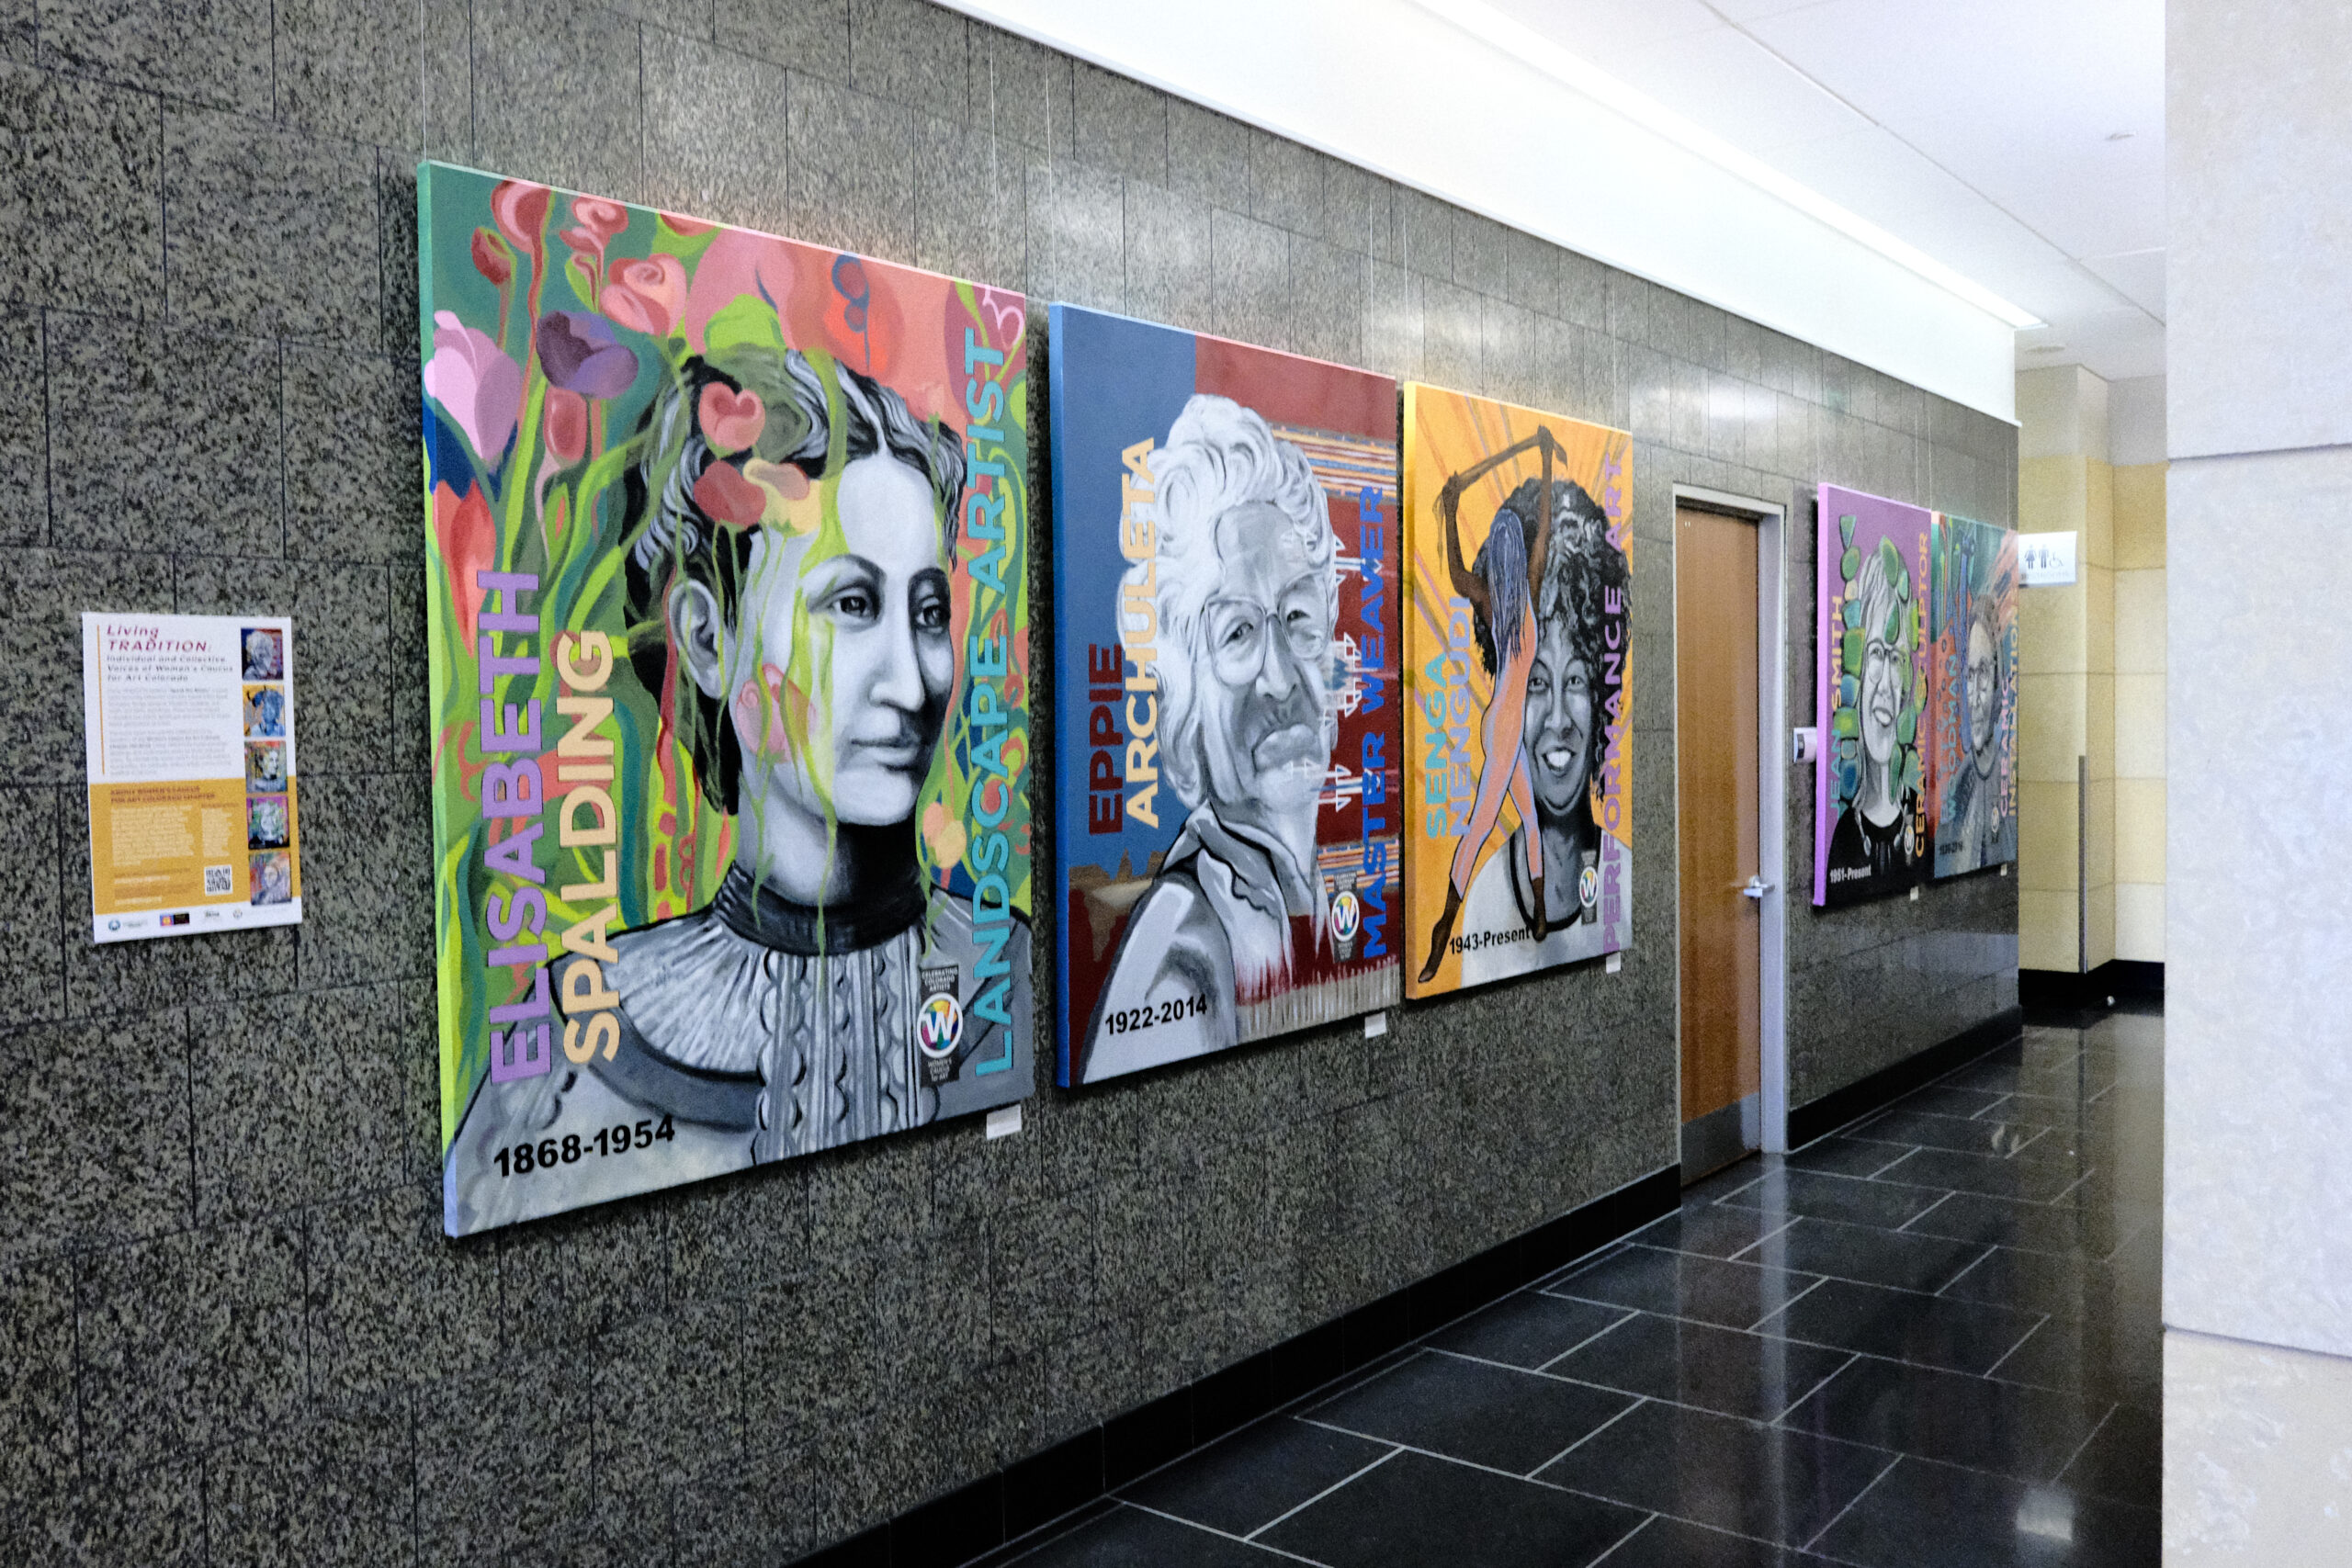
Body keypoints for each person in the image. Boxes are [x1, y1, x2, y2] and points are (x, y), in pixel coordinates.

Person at [447, 346, 1027, 1233]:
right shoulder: (574, 1043)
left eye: (928, 613)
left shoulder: (1009, 973)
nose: (913, 685)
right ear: (708, 639)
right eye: (852, 605)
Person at [1078, 396, 1340, 1082]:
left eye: (1297, 616)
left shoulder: (1312, 892)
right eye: (1238, 633)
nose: (1280, 679)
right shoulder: (1180, 950)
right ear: (1183, 705)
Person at [1417, 430, 1575, 986]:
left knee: (1530, 818)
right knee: (1482, 825)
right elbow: (1544, 531)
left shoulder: (1494, 597)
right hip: (1506, 727)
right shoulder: (1522, 591)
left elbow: (1459, 574)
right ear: (1518, 549)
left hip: (1502, 725)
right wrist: (1544, 465)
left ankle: (1539, 913)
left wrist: (1451, 509)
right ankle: (1443, 927)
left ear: (1495, 548)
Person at [1456, 476, 1627, 985]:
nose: (1556, 719)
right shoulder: (1484, 904)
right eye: (1534, 682)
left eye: (1575, 680)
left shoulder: (1626, 880)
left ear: (1600, 695)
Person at [1826, 541, 1920, 893]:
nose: (1885, 685)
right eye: (1877, 653)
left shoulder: (1919, 820)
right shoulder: (1843, 838)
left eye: (1897, 659)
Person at [1945, 603, 2009, 867]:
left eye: (1983, 672)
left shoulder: (2005, 775)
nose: (1974, 697)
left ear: (1997, 679)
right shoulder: (1962, 783)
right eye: (1970, 675)